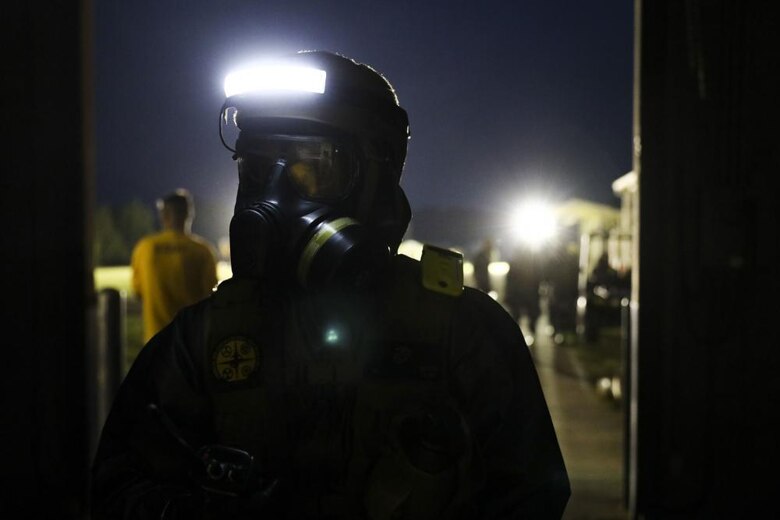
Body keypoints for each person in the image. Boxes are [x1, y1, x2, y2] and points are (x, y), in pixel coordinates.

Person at [92, 50, 570, 519]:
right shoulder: (204, 341)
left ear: (377, 180)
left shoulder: (463, 334)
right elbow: (117, 485)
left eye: (311, 167)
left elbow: (532, 493)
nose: (273, 199)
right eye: (256, 169)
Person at [130, 188, 219, 343]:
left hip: (155, 340)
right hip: (192, 340)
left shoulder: (145, 248)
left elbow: (137, 291)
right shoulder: (203, 251)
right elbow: (210, 296)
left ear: (163, 215)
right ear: (189, 214)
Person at [504, 244, 542, 340]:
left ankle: (517, 337)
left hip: (520, 294)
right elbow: (539, 278)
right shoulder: (533, 263)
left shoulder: (516, 263)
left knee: (517, 317)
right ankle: (530, 334)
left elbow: (509, 281)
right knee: (531, 315)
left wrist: (508, 294)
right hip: (529, 294)